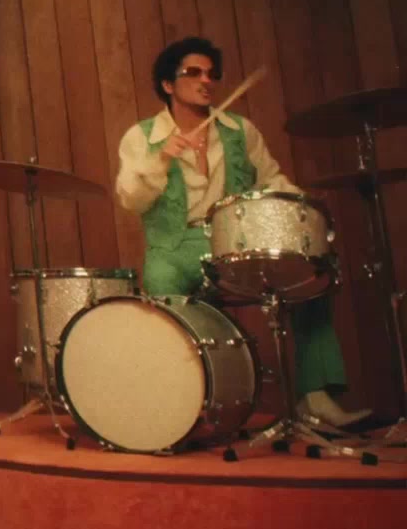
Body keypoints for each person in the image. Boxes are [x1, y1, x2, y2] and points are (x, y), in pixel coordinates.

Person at [114, 36, 370, 428]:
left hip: (232, 240)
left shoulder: (240, 130)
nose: (206, 81)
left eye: (211, 74)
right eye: (193, 73)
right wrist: (162, 157)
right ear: (167, 84)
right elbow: (130, 199)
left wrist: (302, 210)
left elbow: (272, 179)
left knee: (308, 271)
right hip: (174, 248)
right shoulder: (142, 137)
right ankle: (183, 407)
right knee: (162, 284)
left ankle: (316, 397)